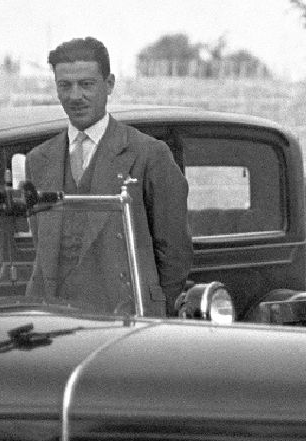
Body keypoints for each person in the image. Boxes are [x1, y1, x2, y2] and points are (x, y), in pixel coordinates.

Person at [26, 37, 191, 316]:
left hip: (126, 324)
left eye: (86, 84)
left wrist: (152, 314)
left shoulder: (149, 154)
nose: (75, 96)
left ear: (109, 84)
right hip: (55, 322)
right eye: (65, 86)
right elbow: (43, 248)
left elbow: (175, 252)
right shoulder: (39, 160)